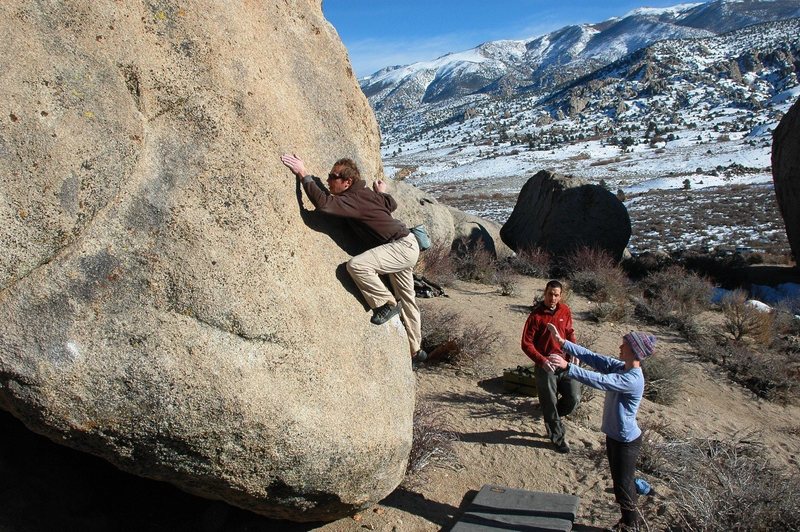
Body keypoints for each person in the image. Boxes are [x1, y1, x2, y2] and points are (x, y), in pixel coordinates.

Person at [280, 153, 427, 365]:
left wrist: (303, 173)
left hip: (400, 247)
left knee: (357, 266)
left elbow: (323, 204)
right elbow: (390, 204)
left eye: (333, 176)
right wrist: (382, 193)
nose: (328, 180)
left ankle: (385, 302)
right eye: (329, 176)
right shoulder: (366, 193)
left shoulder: (352, 199)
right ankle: (416, 350)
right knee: (407, 298)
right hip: (406, 245)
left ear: (348, 182)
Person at [547, 323, 655, 532]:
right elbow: (595, 358)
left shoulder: (632, 379)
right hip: (614, 437)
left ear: (635, 351)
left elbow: (601, 381)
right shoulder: (620, 366)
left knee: (623, 487)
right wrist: (564, 343)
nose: (620, 347)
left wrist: (568, 367)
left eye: (624, 345)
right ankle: (638, 497)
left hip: (626, 441)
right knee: (620, 481)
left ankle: (631, 525)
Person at [520, 280, 579, 453]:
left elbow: (569, 332)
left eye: (556, 295)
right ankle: (557, 437)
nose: (552, 298)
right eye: (549, 294)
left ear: (561, 296)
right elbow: (526, 344)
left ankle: (552, 418)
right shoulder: (536, 316)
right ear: (544, 293)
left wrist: (573, 351)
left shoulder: (565, 310)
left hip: (564, 362)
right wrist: (542, 361)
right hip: (545, 365)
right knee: (549, 401)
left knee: (574, 398)